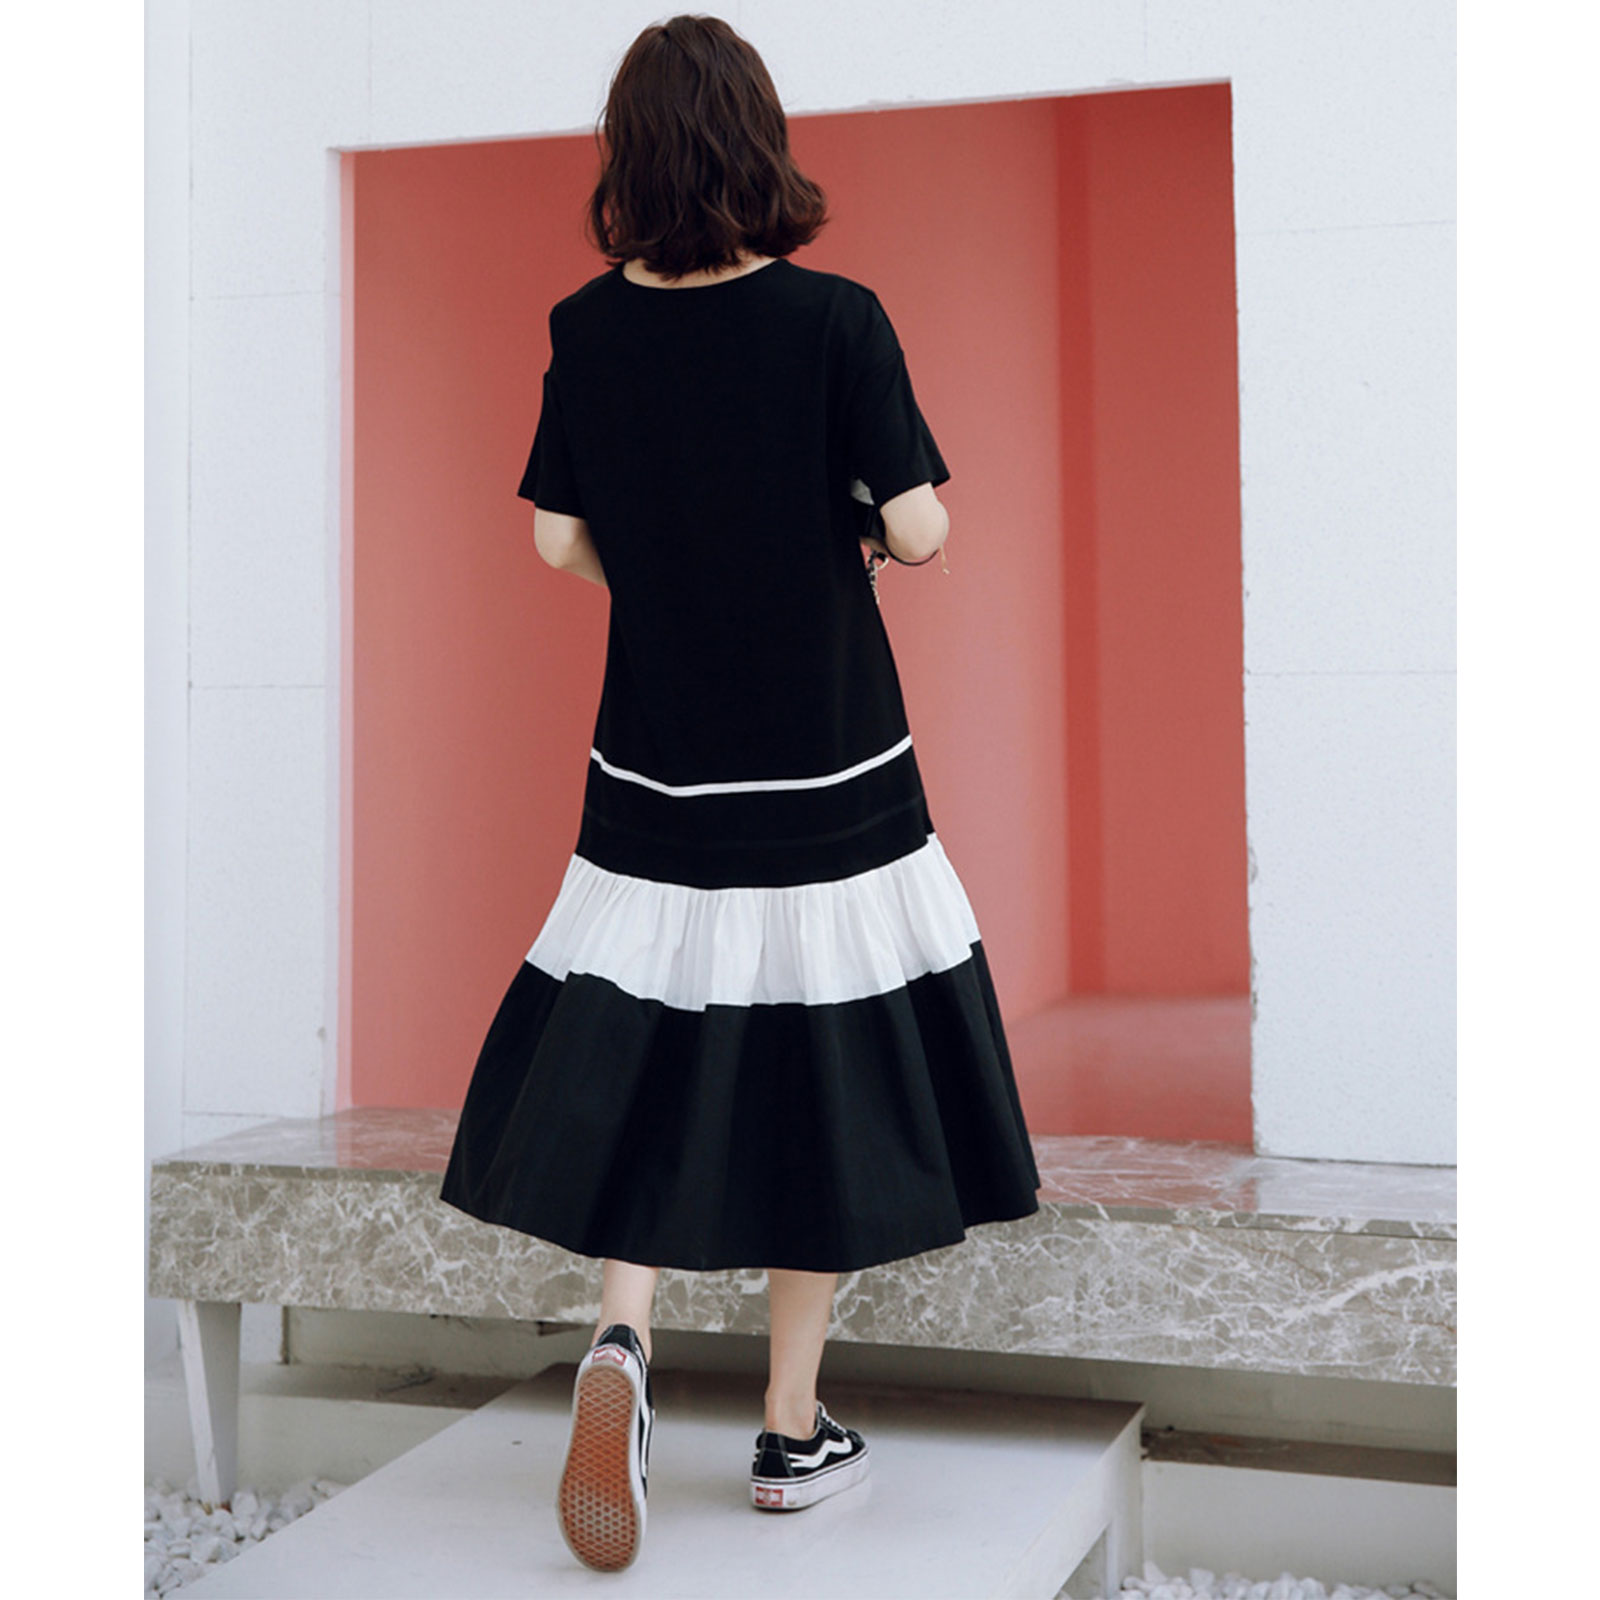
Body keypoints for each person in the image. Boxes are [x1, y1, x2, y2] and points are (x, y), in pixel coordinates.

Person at [437, 11, 1042, 1574]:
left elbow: (556, 539)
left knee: (646, 1030)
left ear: (628, 159)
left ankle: (624, 1340)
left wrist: (669, 555)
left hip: (657, 751)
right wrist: (846, 522)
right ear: (760, 144)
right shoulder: (837, 319)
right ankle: (787, 1426)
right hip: (828, 753)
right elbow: (922, 528)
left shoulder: (588, 328)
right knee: (818, 1062)